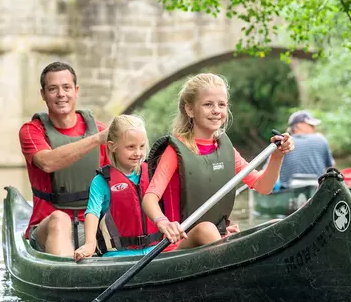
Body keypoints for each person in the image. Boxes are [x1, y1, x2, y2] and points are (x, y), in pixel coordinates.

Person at [142, 73, 294, 250]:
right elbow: (149, 199)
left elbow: (263, 186)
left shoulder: (225, 149)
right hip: (179, 242)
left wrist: (277, 156)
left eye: (221, 105)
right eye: (208, 104)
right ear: (190, 109)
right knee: (206, 229)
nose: (216, 110)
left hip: (217, 237)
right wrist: (164, 223)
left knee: (276, 225)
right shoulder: (175, 150)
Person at [19, 61, 109, 257]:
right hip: (48, 228)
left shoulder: (100, 131)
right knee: (60, 219)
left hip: (93, 228)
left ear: (76, 91)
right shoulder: (32, 131)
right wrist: (96, 140)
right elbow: (47, 162)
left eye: (66, 87)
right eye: (53, 89)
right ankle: (67, 276)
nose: (61, 94)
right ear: (43, 94)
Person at [74, 115, 161, 261]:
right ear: (111, 146)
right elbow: (92, 212)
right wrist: (90, 244)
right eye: (130, 147)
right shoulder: (102, 181)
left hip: (155, 250)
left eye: (141, 146)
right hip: (118, 255)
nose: (138, 153)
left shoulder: (152, 172)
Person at [274, 110, 335, 190]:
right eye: (311, 125)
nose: (314, 128)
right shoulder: (320, 139)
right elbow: (331, 169)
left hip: (287, 191)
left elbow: (267, 171)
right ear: (299, 126)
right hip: (317, 190)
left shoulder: (282, 143)